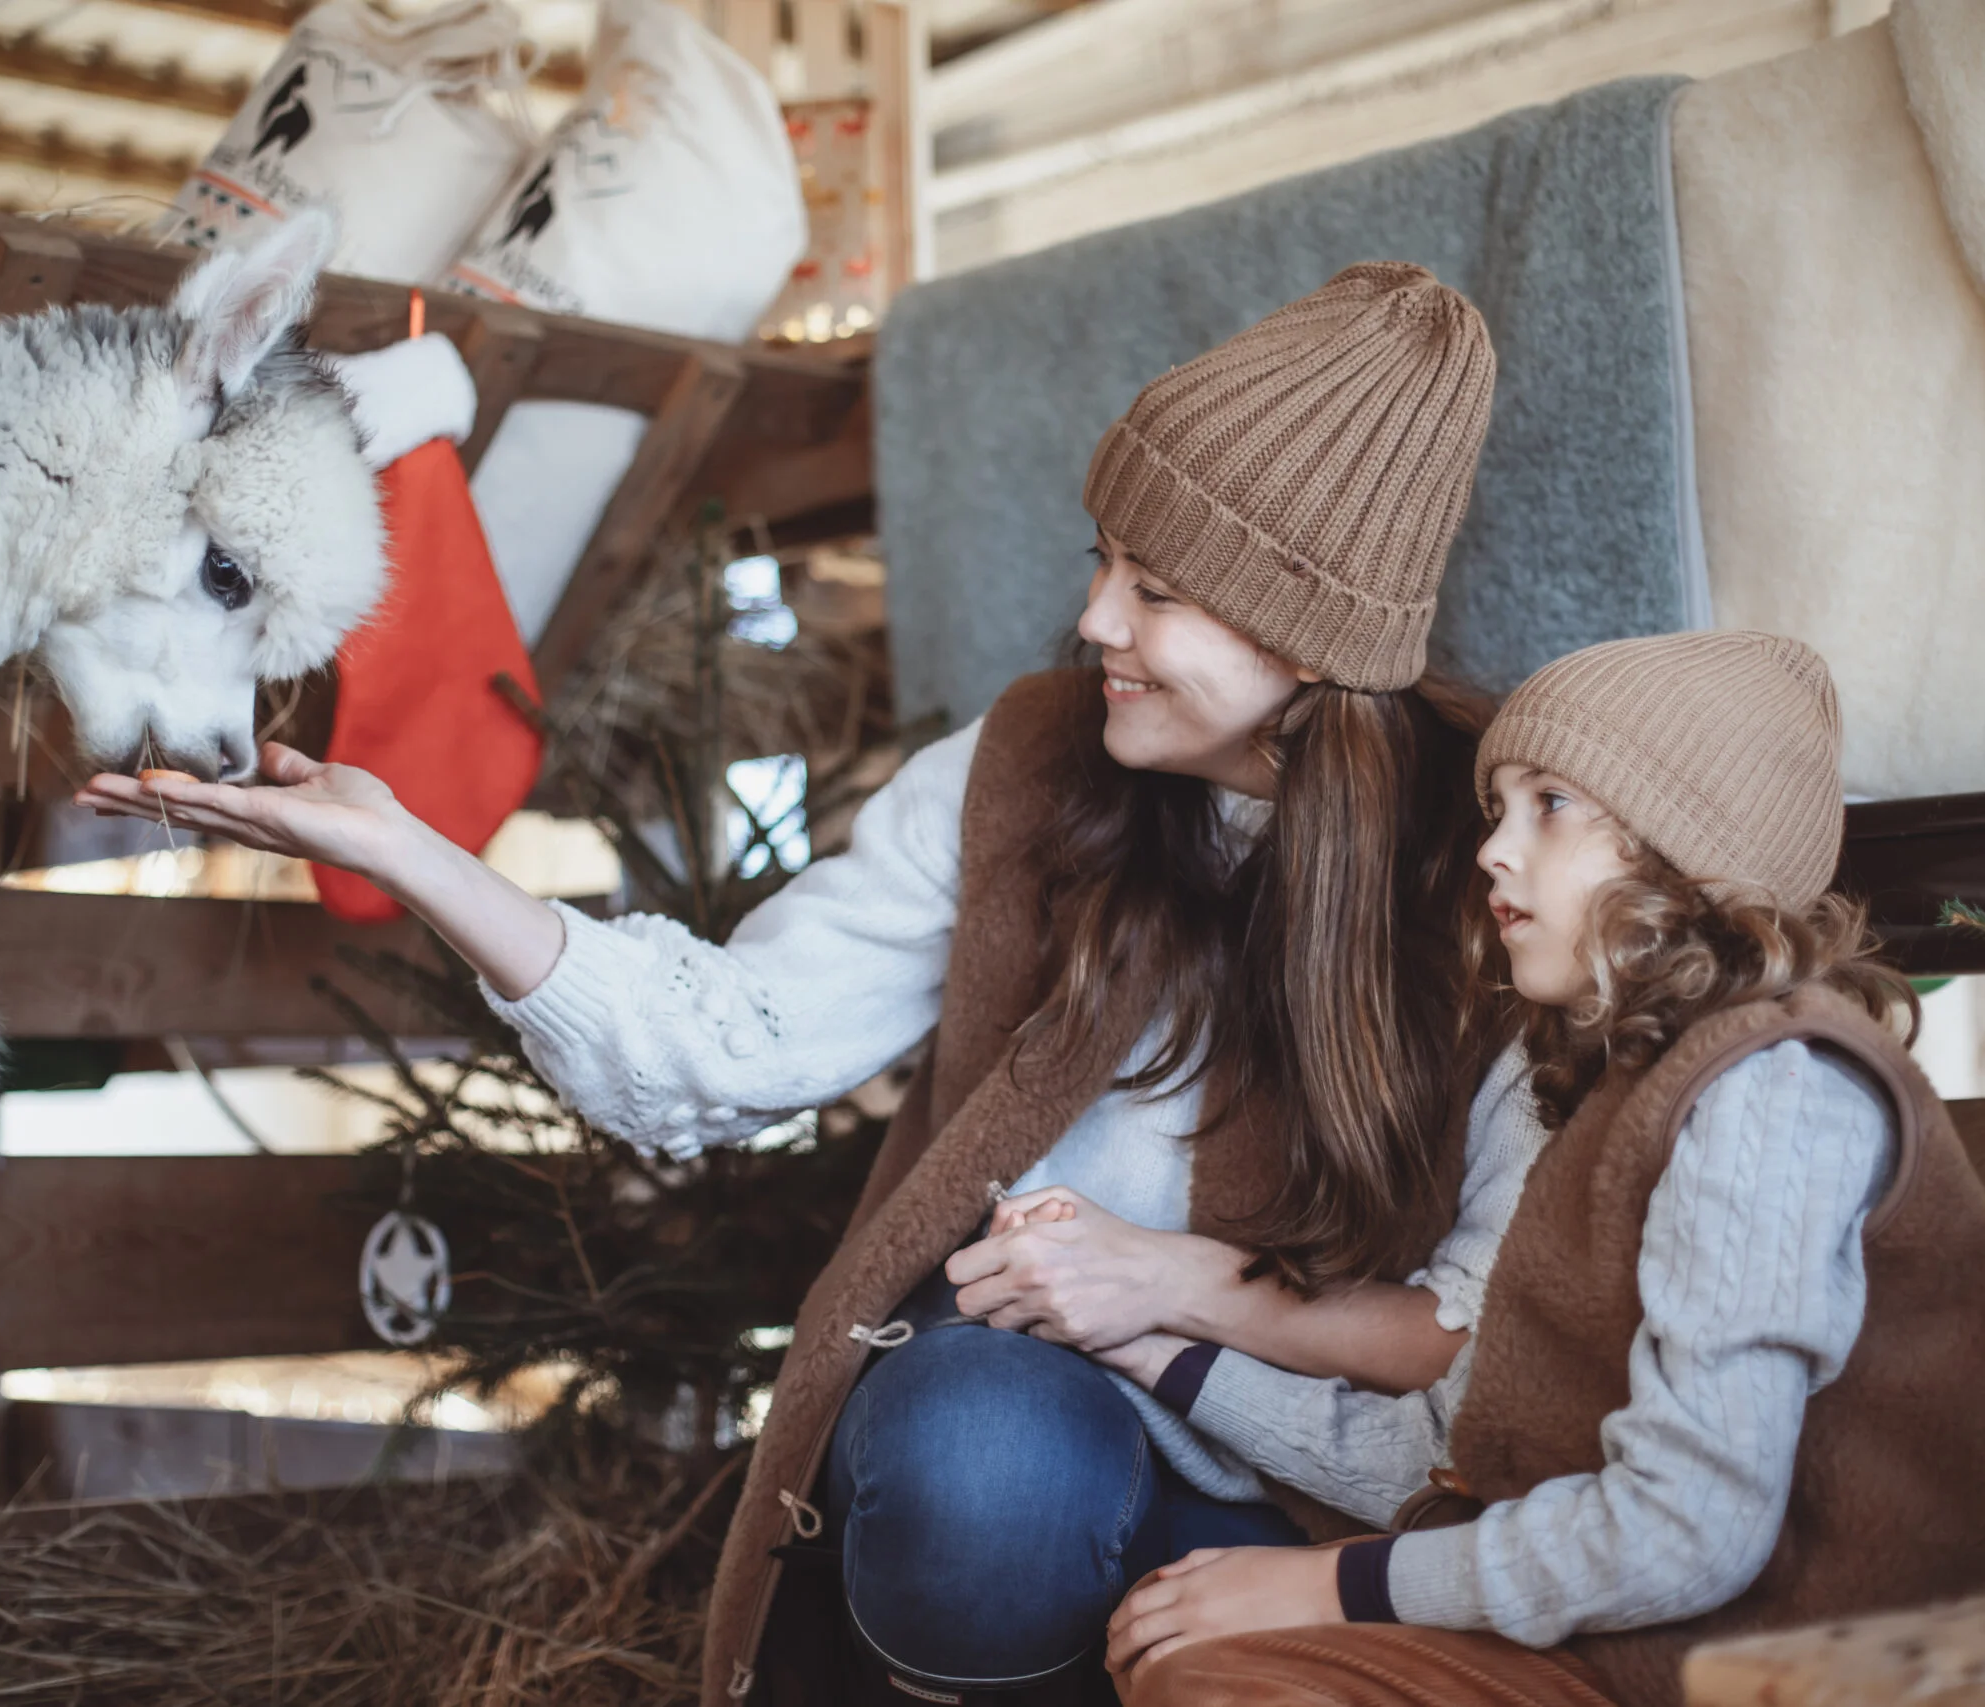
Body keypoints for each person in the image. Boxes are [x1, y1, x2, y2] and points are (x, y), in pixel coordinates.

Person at [79, 262, 1516, 1703]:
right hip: (1028, 1409)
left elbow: (1483, 1334)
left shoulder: (1496, 868)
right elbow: (728, 1042)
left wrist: (1191, 1305)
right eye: (1102, 560)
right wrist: (410, 849)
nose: (1093, 620)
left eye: (1156, 587)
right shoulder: (1026, 768)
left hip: (1312, 1459)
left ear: (1304, 638)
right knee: (980, 1460)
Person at [1097, 631, 1985, 1707]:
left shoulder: (1773, 1092)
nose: (1492, 849)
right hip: (1625, 1653)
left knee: (1226, 1688)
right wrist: (1157, 1348)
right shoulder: (1623, 1089)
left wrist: (1335, 1585)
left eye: (1549, 805)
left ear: (1684, 853)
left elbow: (1688, 1530)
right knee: (1194, 1659)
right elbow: (1451, 1456)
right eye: (1497, 808)